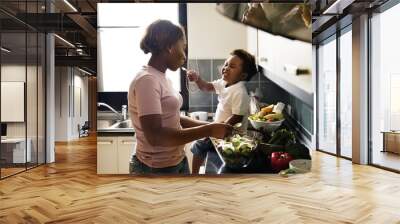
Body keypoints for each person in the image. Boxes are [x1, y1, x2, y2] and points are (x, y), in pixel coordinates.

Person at [128, 20, 233, 175]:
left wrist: (212, 127)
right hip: (155, 168)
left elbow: (174, 119)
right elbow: (155, 137)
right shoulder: (147, 80)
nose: (184, 56)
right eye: (183, 48)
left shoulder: (162, 78)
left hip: (176, 161)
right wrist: (209, 129)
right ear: (169, 46)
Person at [186, 49, 258, 174]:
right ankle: (195, 174)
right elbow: (206, 87)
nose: (226, 68)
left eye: (232, 66)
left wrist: (217, 130)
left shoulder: (240, 92)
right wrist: (197, 79)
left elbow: (237, 118)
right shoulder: (224, 83)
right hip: (219, 130)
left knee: (198, 145)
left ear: (243, 76)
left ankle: (194, 174)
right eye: (226, 64)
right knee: (198, 145)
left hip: (231, 135)